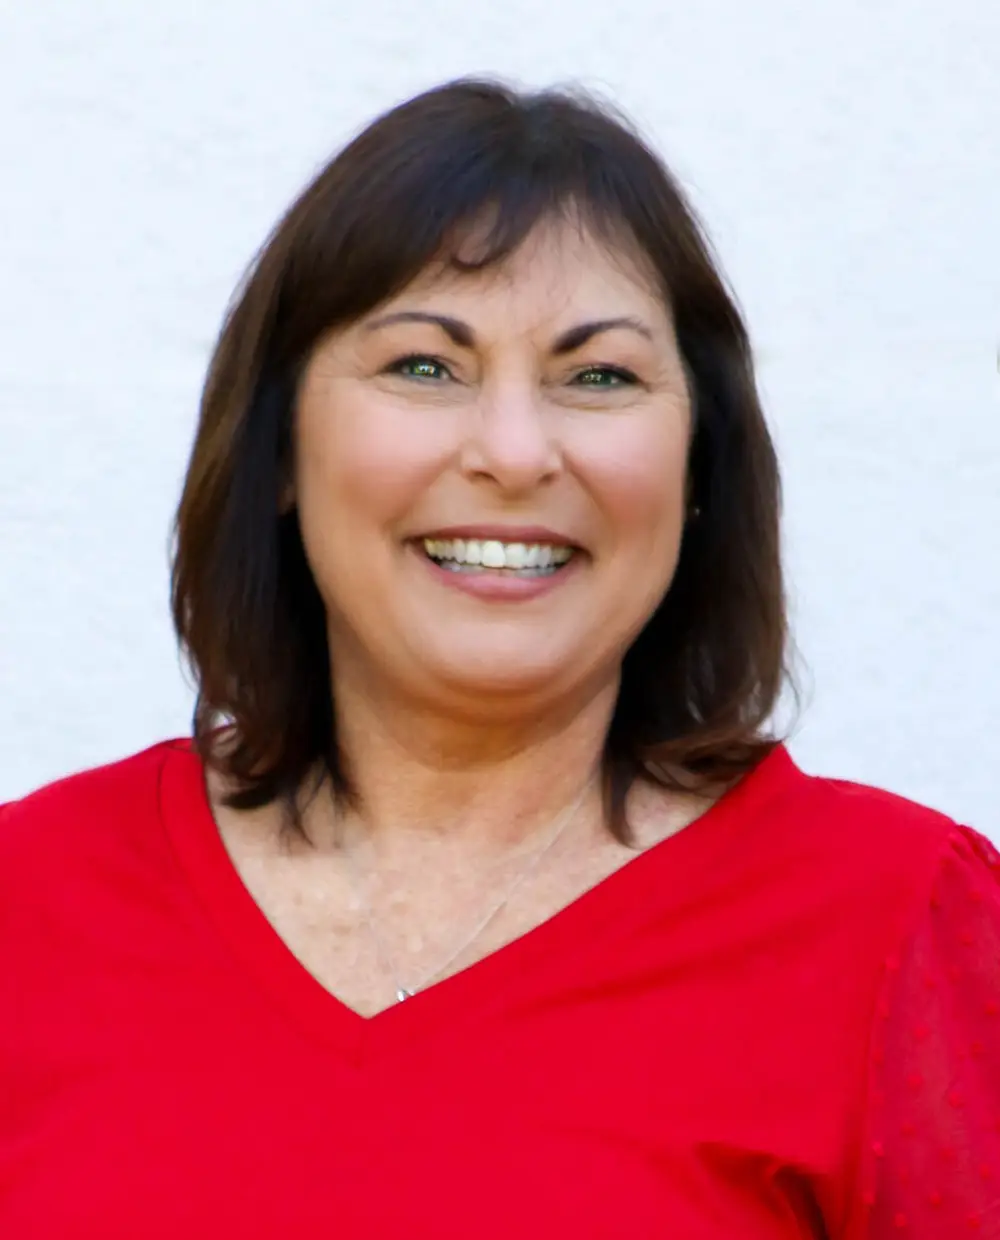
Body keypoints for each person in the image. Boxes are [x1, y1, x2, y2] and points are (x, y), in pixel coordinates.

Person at [1, 78, 997, 1239]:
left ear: (697, 469)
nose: (516, 453)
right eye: (425, 366)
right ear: (278, 449)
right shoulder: (30, 905)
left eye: (599, 376)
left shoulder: (897, 929)